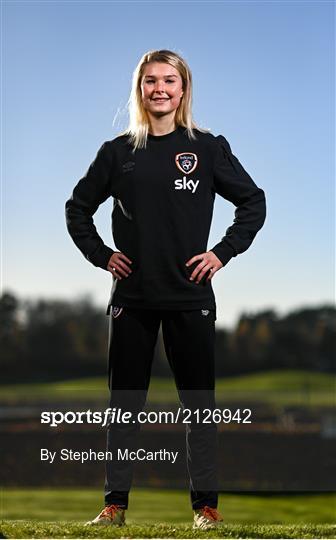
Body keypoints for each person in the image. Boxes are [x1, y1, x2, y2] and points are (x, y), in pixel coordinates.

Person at [65, 49, 266, 530]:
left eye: (169, 81)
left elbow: (252, 202)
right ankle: (114, 506)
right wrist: (102, 255)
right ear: (140, 89)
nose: (160, 88)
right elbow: (77, 209)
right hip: (131, 300)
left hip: (191, 297)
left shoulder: (207, 147)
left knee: (199, 407)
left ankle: (206, 509)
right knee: (124, 408)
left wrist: (221, 253)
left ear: (183, 89)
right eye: (150, 80)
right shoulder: (116, 153)